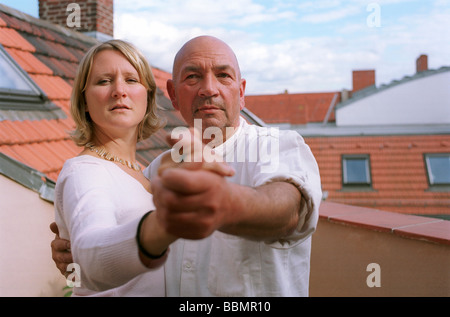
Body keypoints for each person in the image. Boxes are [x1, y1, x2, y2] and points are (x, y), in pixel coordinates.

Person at [51, 35, 322, 296]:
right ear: (173, 95)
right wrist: (80, 254)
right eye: (192, 77)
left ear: (241, 93)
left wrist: (224, 203)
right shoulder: (156, 171)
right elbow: (104, 242)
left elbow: (288, 212)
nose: (209, 89)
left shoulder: (275, 146)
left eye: (223, 75)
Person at [53, 38, 232, 296]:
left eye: (131, 80)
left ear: (148, 96)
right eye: (104, 81)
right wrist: (166, 223)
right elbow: (91, 255)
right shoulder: (84, 171)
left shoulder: (142, 172)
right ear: (84, 101)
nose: (119, 91)